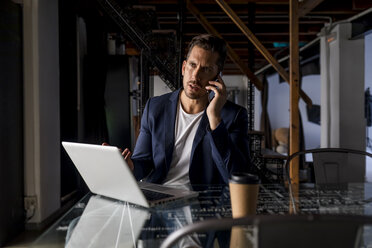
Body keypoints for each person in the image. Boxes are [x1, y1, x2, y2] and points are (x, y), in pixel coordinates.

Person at [108, 34, 251, 188]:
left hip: (201, 203)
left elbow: (236, 176)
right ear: (184, 68)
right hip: (158, 197)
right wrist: (131, 167)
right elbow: (144, 162)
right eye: (192, 65)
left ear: (217, 77)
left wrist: (214, 117)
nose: (195, 76)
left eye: (206, 69)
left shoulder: (234, 116)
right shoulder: (155, 107)